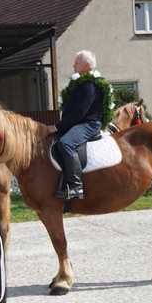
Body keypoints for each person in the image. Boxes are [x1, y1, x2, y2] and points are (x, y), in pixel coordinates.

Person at [47, 50, 108, 200]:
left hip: (88, 124)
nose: (73, 65)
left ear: (87, 65)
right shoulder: (80, 84)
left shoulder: (90, 86)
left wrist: (56, 127)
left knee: (65, 143)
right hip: (79, 123)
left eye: (77, 62)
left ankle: (76, 186)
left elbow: (79, 113)